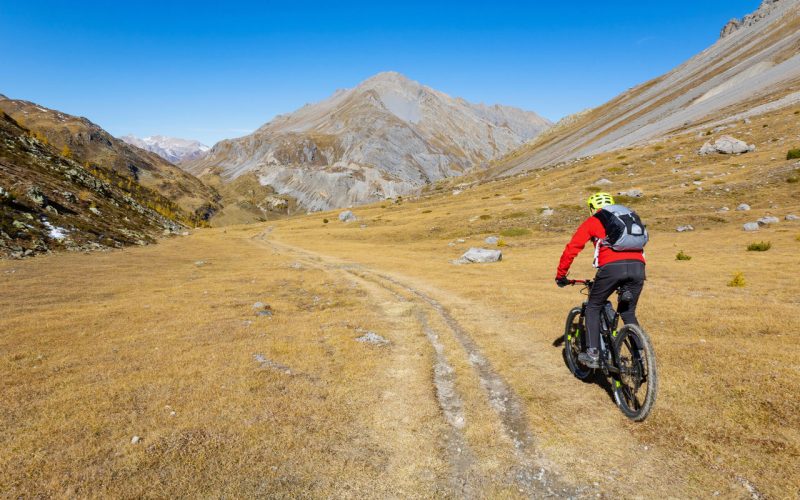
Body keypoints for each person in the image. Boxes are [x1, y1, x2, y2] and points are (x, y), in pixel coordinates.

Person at [555, 192, 647, 368]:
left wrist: (561, 275)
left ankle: (593, 353)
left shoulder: (595, 220)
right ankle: (641, 355)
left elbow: (572, 248)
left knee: (593, 306)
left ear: (592, 208)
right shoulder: (628, 217)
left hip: (611, 269)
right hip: (638, 267)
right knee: (628, 312)